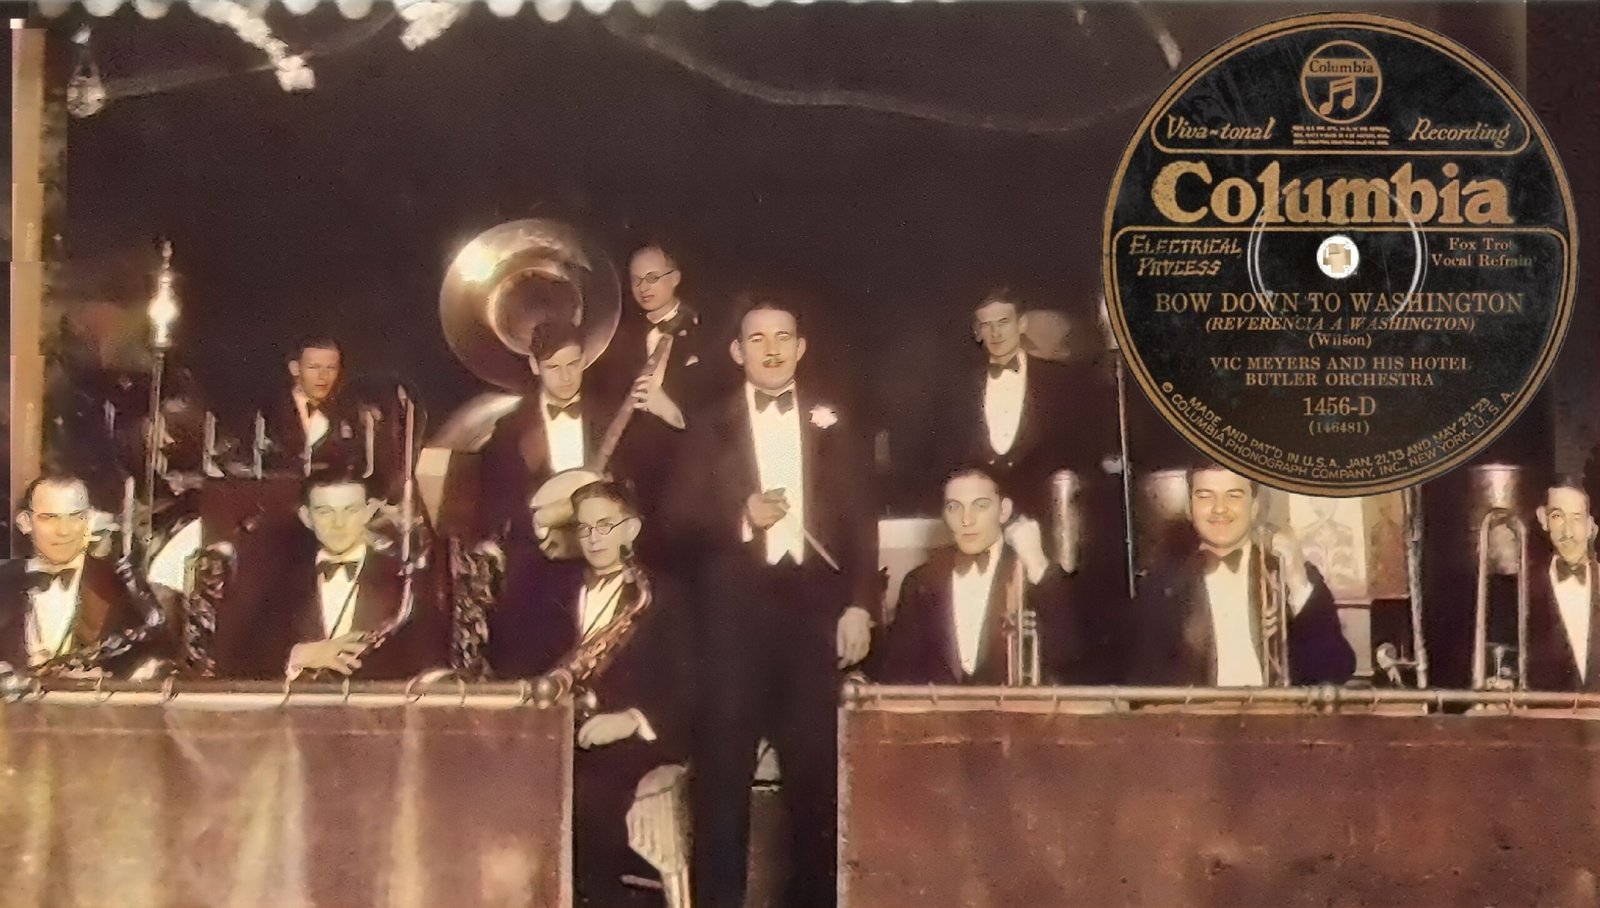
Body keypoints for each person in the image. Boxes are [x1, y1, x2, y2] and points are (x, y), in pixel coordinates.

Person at [664, 295, 877, 908]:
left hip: (813, 621)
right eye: (757, 339)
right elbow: (673, 523)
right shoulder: (708, 426)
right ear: (737, 352)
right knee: (723, 784)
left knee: (815, 784)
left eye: (783, 337)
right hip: (732, 628)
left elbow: (862, 521)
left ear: (801, 348)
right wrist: (740, 517)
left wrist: (859, 606)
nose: (772, 349)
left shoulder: (834, 422)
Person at [486, 480, 692, 906]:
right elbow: (515, 654)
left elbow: (688, 684)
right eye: (584, 528)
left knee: (587, 800)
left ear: (631, 529)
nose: (595, 538)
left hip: (628, 739)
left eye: (606, 525)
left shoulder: (666, 596)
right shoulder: (552, 587)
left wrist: (631, 719)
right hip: (554, 730)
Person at [1127, 462, 1355, 687]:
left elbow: (1335, 672)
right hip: (1200, 712)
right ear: (1190, 508)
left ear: (1254, 506)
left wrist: (1297, 585)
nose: (1219, 508)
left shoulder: (1292, 575)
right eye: (1205, 496)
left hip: (1278, 711)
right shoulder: (1161, 588)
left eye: (1233, 496)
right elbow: (1144, 681)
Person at [208, 469, 447, 680]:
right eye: (325, 512)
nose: (338, 523)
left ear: (368, 512)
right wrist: (298, 655)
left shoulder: (407, 580)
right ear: (306, 517)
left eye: (350, 510)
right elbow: (233, 662)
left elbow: (431, 663)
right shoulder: (273, 580)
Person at [877, 466, 1083, 684]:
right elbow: (898, 676)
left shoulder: (1033, 574)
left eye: (980, 506)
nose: (967, 520)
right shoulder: (919, 582)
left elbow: (1069, 658)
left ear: (1004, 511)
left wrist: (1038, 567)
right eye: (954, 507)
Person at [0, 473, 166, 676]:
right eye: (50, 518)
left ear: (89, 520)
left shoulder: (122, 588)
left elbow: (152, 662)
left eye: (75, 517)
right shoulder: (4, 583)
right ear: (25, 522)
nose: (64, 531)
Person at [600, 243, 715, 528]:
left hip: (690, 478)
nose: (643, 288)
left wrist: (667, 408)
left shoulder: (705, 334)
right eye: (636, 280)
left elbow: (714, 409)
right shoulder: (617, 338)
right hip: (634, 480)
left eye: (652, 278)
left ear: (675, 278)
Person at [478, 321, 599, 539]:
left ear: (584, 360)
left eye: (573, 364)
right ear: (535, 365)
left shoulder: (609, 418)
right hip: (534, 552)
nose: (566, 377)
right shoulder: (509, 430)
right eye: (553, 367)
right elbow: (497, 507)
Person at [258, 335, 374, 477]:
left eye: (331, 368)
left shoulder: (348, 413)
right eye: (314, 367)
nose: (323, 376)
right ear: (295, 368)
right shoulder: (267, 411)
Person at [1529, 478, 1600, 691]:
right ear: (1543, 519)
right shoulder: (1524, 590)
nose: (1568, 532)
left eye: (1577, 518)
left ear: (1591, 526)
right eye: (1557, 516)